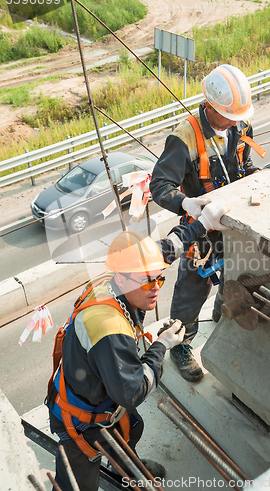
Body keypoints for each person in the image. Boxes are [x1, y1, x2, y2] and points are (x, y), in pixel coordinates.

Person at [46, 201, 227, 491]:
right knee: (79, 478)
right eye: (147, 282)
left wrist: (203, 223)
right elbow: (131, 391)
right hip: (81, 419)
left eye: (159, 278)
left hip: (101, 392)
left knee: (133, 427)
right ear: (122, 277)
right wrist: (161, 347)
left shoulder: (121, 276)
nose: (155, 287)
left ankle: (126, 471)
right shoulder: (109, 329)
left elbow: (169, 247)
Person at [150, 64, 263, 383]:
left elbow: (245, 163)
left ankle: (223, 311)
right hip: (200, 230)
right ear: (211, 107)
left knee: (235, 273)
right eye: (230, 114)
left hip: (235, 224)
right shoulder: (185, 137)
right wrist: (185, 202)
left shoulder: (242, 125)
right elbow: (159, 185)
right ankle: (180, 343)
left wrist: (258, 177)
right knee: (192, 288)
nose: (236, 120)